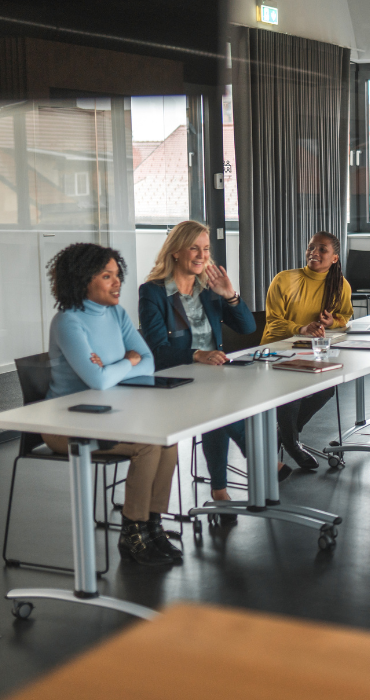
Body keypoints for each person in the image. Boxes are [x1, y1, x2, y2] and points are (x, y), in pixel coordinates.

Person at [44, 243, 181, 567]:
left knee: (168, 441)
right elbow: (99, 381)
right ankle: (132, 534)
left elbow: (148, 362)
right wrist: (125, 361)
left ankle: (152, 525)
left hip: (111, 415)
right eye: (107, 276)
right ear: (82, 280)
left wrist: (117, 364)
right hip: (63, 425)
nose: (117, 282)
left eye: (117, 275)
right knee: (148, 446)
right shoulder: (67, 322)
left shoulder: (117, 314)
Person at [138, 221, 288, 510]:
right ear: (175, 252)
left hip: (214, 379)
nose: (201, 255)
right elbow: (157, 352)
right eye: (194, 248)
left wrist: (230, 295)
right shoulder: (153, 293)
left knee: (220, 408)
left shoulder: (208, 289)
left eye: (205, 249)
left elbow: (246, 328)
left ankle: (220, 491)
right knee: (220, 409)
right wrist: (197, 355)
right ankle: (267, 463)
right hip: (174, 382)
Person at [261, 231, 353, 469]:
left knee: (326, 390)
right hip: (277, 350)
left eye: (322, 249)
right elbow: (273, 322)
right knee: (291, 394)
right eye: (311, 247)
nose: (314, 252)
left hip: (311, 352)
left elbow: (346, 315)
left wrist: (333, 322)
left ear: (334, 258)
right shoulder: (284, 279)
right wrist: (301, 329)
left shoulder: (340, 284)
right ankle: (292, 443)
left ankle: (284, 435)